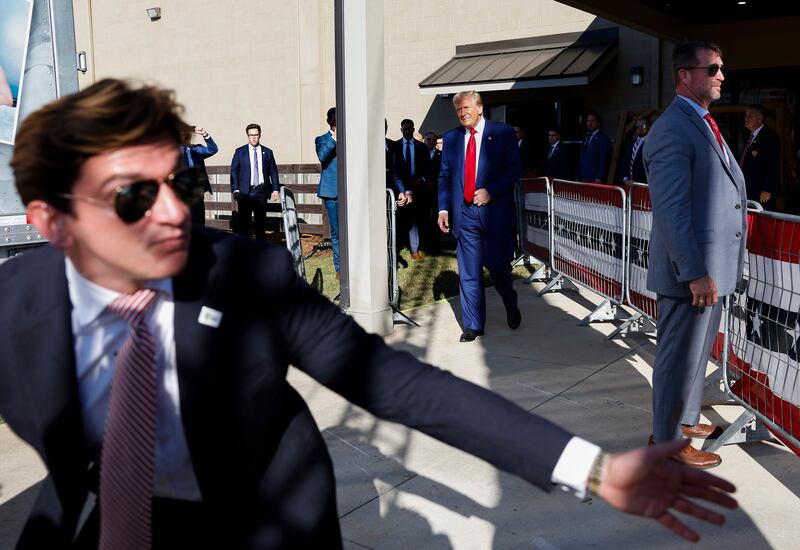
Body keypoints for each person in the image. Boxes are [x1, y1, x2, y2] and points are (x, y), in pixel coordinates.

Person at [1, 79, 738, 549]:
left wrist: (593, 468)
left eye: (182, 184)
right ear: (49, 220)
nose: (173, 214)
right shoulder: (14, 313)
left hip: (271, 519)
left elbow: (398, 384)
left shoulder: (249, 277)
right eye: (135, 196)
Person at [643, 41, 748, 468]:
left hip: (709, 270)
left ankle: (684, 420)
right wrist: (695, 271)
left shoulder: (700, 122)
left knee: (695, 356)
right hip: (692, 273)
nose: (722, 75)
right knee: (676, 360)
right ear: (685, 75)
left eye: (722, 67)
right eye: (714, 68)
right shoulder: (672, 128)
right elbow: (672, 210)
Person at [437, 91, 522, 342]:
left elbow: (514, 168)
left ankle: (511, 304)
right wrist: (443, 209)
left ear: (480, 108)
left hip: (493, 213)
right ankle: (474, 325)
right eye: (458, 110)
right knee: (469, 272)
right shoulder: (452, 138)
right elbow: (444, 177)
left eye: (466, 108)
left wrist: (491, 192)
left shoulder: (503, 133)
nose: (463, 113)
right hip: (464, 216)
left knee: (498, 269)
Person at [230, 123, 280, 240]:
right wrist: (235, 189)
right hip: (245, 194)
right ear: (247, 136)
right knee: (244, 225)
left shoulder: (267, 152)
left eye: (256, 135)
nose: (253, 137)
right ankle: (245, 252)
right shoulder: (240, 152)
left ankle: (260, 253)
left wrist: (275, 189)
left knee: (260, 225)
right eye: (251, 135)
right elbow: (234, 172)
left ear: (260, 135)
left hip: (261, 193)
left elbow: (273, 171)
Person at [392, 118, 430, 260]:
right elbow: (394, 171)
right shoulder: (395, 146)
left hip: (418, 188)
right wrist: (403, 189)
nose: (407, 131)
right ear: (401, 130)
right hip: (400, 189)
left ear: (413, 130)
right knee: (400, 220)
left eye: (410, 129)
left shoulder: (421, 147)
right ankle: (399, 248)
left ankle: (415, 250)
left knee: (416, 219)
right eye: (405, 129)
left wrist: (423, 179)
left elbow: (428, 168)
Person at [315, 107, 340, 277]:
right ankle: (339, 267)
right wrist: (335, 138)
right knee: (337, 231)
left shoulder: (350, 136)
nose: (335, 120)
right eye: (333, 118)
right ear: (328, 121)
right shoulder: (322, 139)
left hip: (349, 190)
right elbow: (322, 157)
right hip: (331, 191)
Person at [741, 105, 779, 211]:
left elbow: (773, 164)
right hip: (749, 188)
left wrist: (768, 188)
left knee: (763, 220)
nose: (746, 118)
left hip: (761, 192)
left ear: (760, 118)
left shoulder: (769, 137)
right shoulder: (749, 136)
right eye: (746, 115)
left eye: (749, 116)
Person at [180, 125, 218, 225]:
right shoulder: (174, 151)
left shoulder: (196, 149)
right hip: (182, 193)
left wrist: (205, 135)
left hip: (197, 192)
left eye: (186, 135)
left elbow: (213, 149)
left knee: (199, 221)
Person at [575, 112, 612, 183]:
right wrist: (577, 175)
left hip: (594, 178)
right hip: (582, 177)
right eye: (588, 121)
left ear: (598, 123)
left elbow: (604, 159)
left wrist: (599, 177)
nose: (590, 123)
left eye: (593, 121)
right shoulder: (586, 138)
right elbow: (581, 158)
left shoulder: (603, 138)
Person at [619, 116, 650, 185]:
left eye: (643, 126)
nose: (640, 128)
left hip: (643, 186)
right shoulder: (631, 144)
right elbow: (624, 162)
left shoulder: (651, 144)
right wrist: (625, 179)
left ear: (649, 127)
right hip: (628, 184)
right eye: (637, 127)